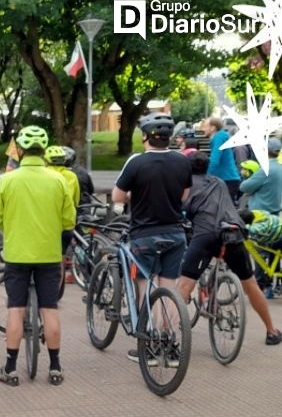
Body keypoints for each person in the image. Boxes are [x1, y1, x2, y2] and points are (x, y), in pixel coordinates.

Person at [0, 126, 76, 386]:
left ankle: (10, 368)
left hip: (17, 253)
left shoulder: (8, 180)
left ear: (21, 149)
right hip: (49, 255)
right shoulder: (59, 180)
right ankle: (55, 367)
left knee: (15, 308)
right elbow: (68, 220)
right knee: (49, 309)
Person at [177, 152, 282, 345]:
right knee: (250, 283)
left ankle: (169, 336)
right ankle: (271, 330)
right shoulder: (219, 181)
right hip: (233, 231)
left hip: (205, 234)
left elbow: (180, 210)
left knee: (184, 284)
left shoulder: (185, 185)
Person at [112, 112, 192, 364]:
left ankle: (149, 343)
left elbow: (117, 196)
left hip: (144, 235)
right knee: (168, 289)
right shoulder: (182, 162)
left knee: (145, 288)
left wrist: (133, 197)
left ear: (145, 136)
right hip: (175, 233)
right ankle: (170, 344)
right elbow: (184, 196)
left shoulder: (136, 163)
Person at [45, 145, 80, 254]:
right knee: (61, 255)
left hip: (47, 224)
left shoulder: (44, 175)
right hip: (67, 223)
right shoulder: (72, 176)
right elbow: (75, 200)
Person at [240, 137, 282, 214]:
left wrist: (246, 176)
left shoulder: (265, 170)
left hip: (261, 213)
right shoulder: (279, 167)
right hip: (275, 211)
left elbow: (244, 187)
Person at [204, 116, 241, 201]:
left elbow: (214, 160)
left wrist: (205, 176)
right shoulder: (222, 136)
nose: (203, 129)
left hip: (226, 179)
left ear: (213, 128)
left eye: (205, 126)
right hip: (228, 179)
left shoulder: (219, 137)